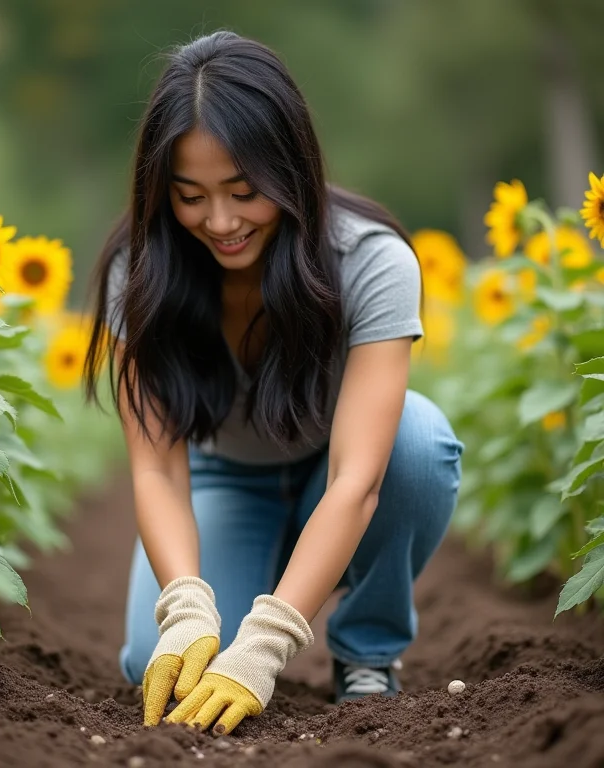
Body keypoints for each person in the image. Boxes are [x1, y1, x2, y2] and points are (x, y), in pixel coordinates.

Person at [84, 30, 463, 737]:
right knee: (153, 666)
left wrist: (265, 644)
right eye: (190, 197)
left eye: (244, 191)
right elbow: (159, 471)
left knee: (418, 442)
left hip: (336, 480)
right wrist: (188, 605)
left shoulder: (370, 261)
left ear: (289, 168)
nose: (220, 222)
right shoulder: (136, 275)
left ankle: (366, 652)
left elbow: (357, 481)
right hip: (226, 480)